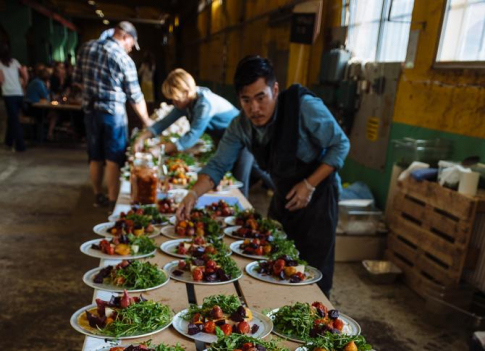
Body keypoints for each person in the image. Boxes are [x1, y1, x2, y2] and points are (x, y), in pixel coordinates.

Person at [176, 56, 350, 296]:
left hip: (318, 197)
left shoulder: (304, 107)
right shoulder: (240, 125)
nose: (254, 108)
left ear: (275, 90)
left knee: (312, 276)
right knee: (273, 263)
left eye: (261, 98)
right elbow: (217, 166)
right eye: (246, 100)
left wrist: (309, 185)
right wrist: (193, 194)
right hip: (283, 197)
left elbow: (340, 144)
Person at [133, 68, 254, 197]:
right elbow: (164, 123)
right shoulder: (186, 102)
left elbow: (192, 137)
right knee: (243, 176)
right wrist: (141, 137)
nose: (174, 103)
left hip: (243, 138)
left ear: (186, 92)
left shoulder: (205, 104)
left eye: (176, 99)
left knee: (238, 184)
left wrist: (160, 149)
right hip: (225, 139)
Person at [74, 21, 153, 211]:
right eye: (131, 44)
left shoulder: (86, 47)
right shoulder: (122, 58)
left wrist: (93, 93)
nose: (131, 48)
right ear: (125, 36)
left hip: (91, 111)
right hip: (113, 114)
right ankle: (111, 200)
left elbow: (77, 81)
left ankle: (97, 195)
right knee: (113, 159)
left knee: (95, 156)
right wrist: (148, 122)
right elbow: (135, 96)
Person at [0, 41, 28, 152]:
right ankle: (8, 141)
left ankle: (20, 146)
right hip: (19, 93)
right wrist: (23, 84)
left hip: (8, 94)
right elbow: (25, 74)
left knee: (14, 120)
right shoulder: (15, 62)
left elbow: (1, 80)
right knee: (12, 118)